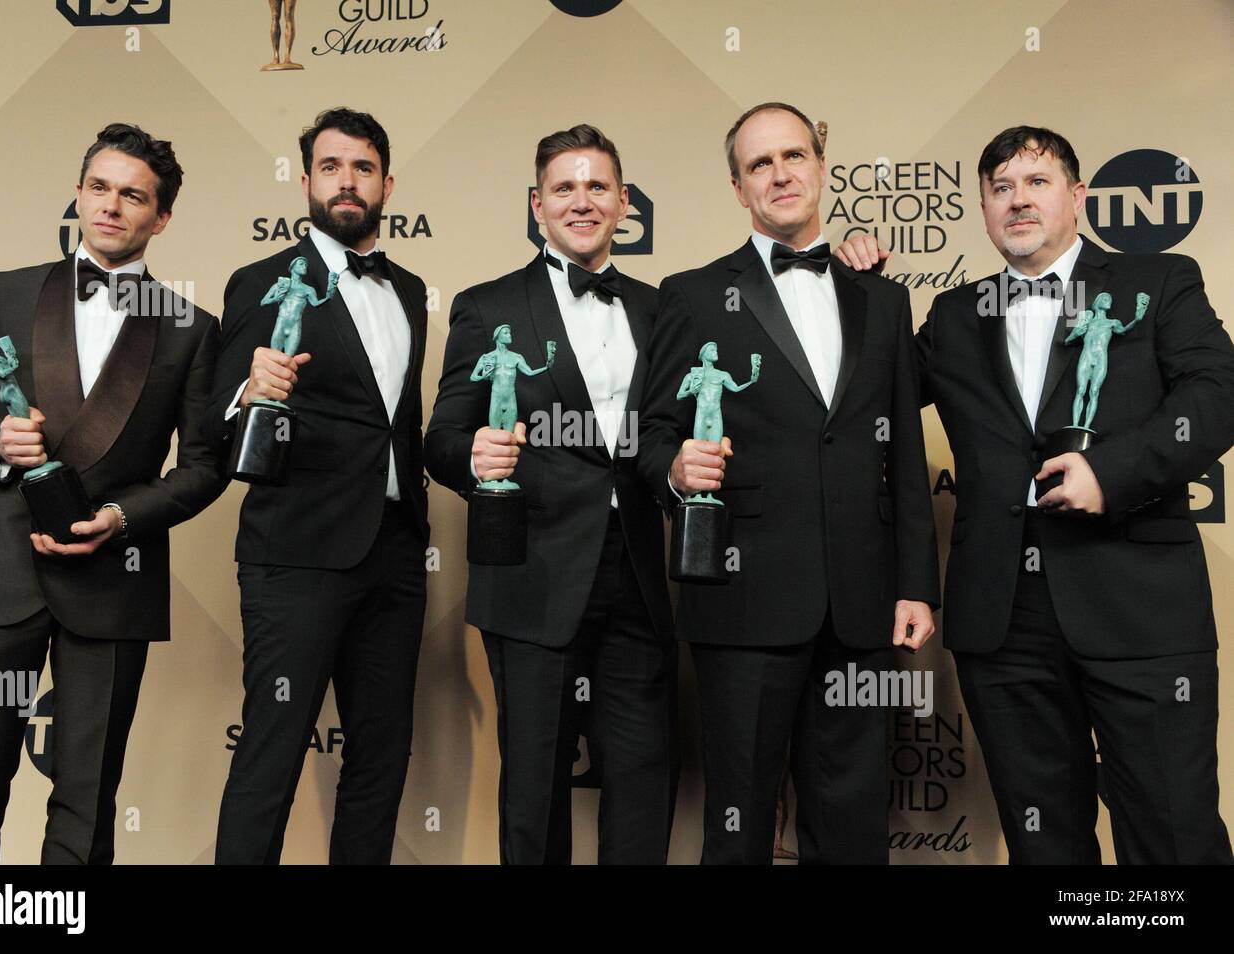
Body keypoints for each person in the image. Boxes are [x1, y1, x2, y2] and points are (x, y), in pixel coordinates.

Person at [835, 125, 1234, 864]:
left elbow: (1217, 396)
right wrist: (855, 291)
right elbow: (867, 406)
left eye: (1036, 181)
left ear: (1077, 198)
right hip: (1003, 623)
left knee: (1173, 832)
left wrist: (1111, 474)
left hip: (1139, 611)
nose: (1018, 199)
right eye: (1000, 187)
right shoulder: (955, 316)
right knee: (1043, 841)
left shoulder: (1160, 282)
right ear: (984, 210)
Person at [638, 102, 938, 864]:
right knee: (738, 821)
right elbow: (649, 434)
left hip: (861, 603)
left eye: (793, 156)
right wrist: (673, 469)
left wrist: (914, 584)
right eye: (759, 164)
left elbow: (902, 452)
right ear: (738, 188)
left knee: (853, 824)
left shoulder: (882, 296)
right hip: (742, 598)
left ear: (821, 167)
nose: (780, 174)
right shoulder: (693, 293)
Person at [0, 123, 224, 864]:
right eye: (99, 187)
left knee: (87, 796)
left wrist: (124, 517)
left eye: (132, 195)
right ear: (79, 192)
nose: (110, 206)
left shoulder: (191, 328)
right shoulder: (6, 291)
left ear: (161, 217)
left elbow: (203, 467)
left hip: (112, 576)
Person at [426, 125, 678, 864]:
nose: (582, 201)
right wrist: (471, 455)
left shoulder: (661, 310)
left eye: (598, 186)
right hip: (530, 571)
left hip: (636, 571)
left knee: (642, 778)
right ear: (537, 205)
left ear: (624, 202)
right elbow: (442, 436)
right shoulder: (484, 306)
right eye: (564, 188)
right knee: (535, 786)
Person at [207, 107, 429, 865]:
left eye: (363, 167)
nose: (347, 181)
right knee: (272, 756)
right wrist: (248, 388)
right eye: (331, 167)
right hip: (296, 553)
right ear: (305, 182)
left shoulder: (411, 289)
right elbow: (211, 422)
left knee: (379, 759)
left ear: (387, 183)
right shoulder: (262, 281)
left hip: (396, 557)